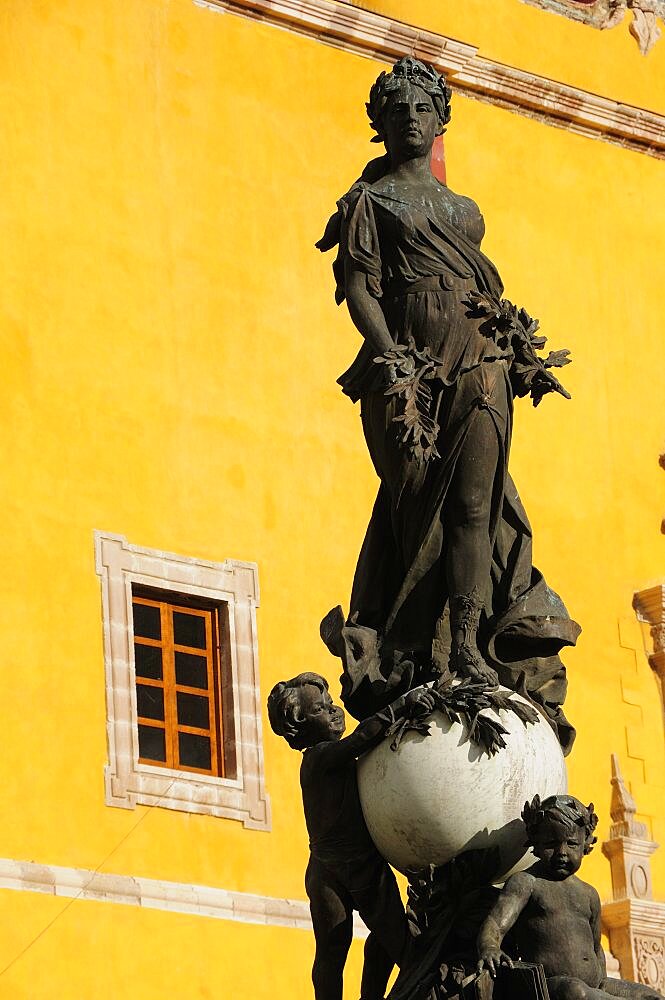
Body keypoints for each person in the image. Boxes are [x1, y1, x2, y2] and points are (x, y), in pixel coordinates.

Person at [317, 56, 579, 753]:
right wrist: (390, 358)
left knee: (475, 507)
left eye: (421, 108)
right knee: (412, 513)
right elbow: (362, 289)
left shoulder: (464, 211)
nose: (410, 117)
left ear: (439, 120)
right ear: (379, 123)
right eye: (396, 108)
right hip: (405, 365)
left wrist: (517, 346)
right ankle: (410, 646)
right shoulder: (367, 205)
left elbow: (482, 292)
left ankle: (465, 644)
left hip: (479, 356)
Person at [267, 672, 436, 1000]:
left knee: (379, 940)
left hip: (331, 869)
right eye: (320, 709)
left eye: (330, 703)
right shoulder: (318, 758)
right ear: (299, 725)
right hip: (348, 869)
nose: (333, 710)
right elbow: (360, 739)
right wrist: (402, 705)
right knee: (353, 948)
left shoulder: (330, 758)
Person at [476, 794, 665, 1000]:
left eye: (572, 843)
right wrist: (490, 947)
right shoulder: (527, 882)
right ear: (536, 844)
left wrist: (601, 977)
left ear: (586, 845)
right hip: (551, 986)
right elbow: (496, 923)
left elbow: (595, 947)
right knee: (576, 991)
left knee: (650, 995)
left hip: (596, 986)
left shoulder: (588, 893)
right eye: (551, 843)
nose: (561, 852)